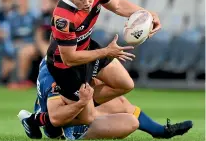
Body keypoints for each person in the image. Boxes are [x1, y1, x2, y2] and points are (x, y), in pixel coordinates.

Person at [46, 0, 161, 122]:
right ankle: (48, 118)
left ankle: (77, 108)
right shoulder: (63, 18)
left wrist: (147, 14)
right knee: (87, 119)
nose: (87, 2)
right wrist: (107, 51)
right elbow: (70, 58)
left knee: (125, 84)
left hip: (87, 47)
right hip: (65, 66)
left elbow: (118, 5)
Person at [17, 57, 193, 140]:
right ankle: (47, 124)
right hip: (60, 116)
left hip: (79, 102)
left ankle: (160, 131)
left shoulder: (81, 54)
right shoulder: (54, 73)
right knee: (90, 115)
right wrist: (82, 102)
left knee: (127, 113)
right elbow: (56, 115)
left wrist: (110, 53)